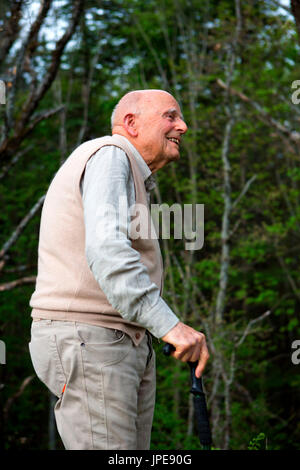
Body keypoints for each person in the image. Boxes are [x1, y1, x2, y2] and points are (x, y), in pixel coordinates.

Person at [28, 89, 209, 450]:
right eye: (171, 116)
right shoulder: (112, 156)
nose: (183, 126)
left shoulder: (122, 168)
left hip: (109, 339)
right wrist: (169, 326)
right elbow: (109, 252)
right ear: (131, 123)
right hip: (91, 337)